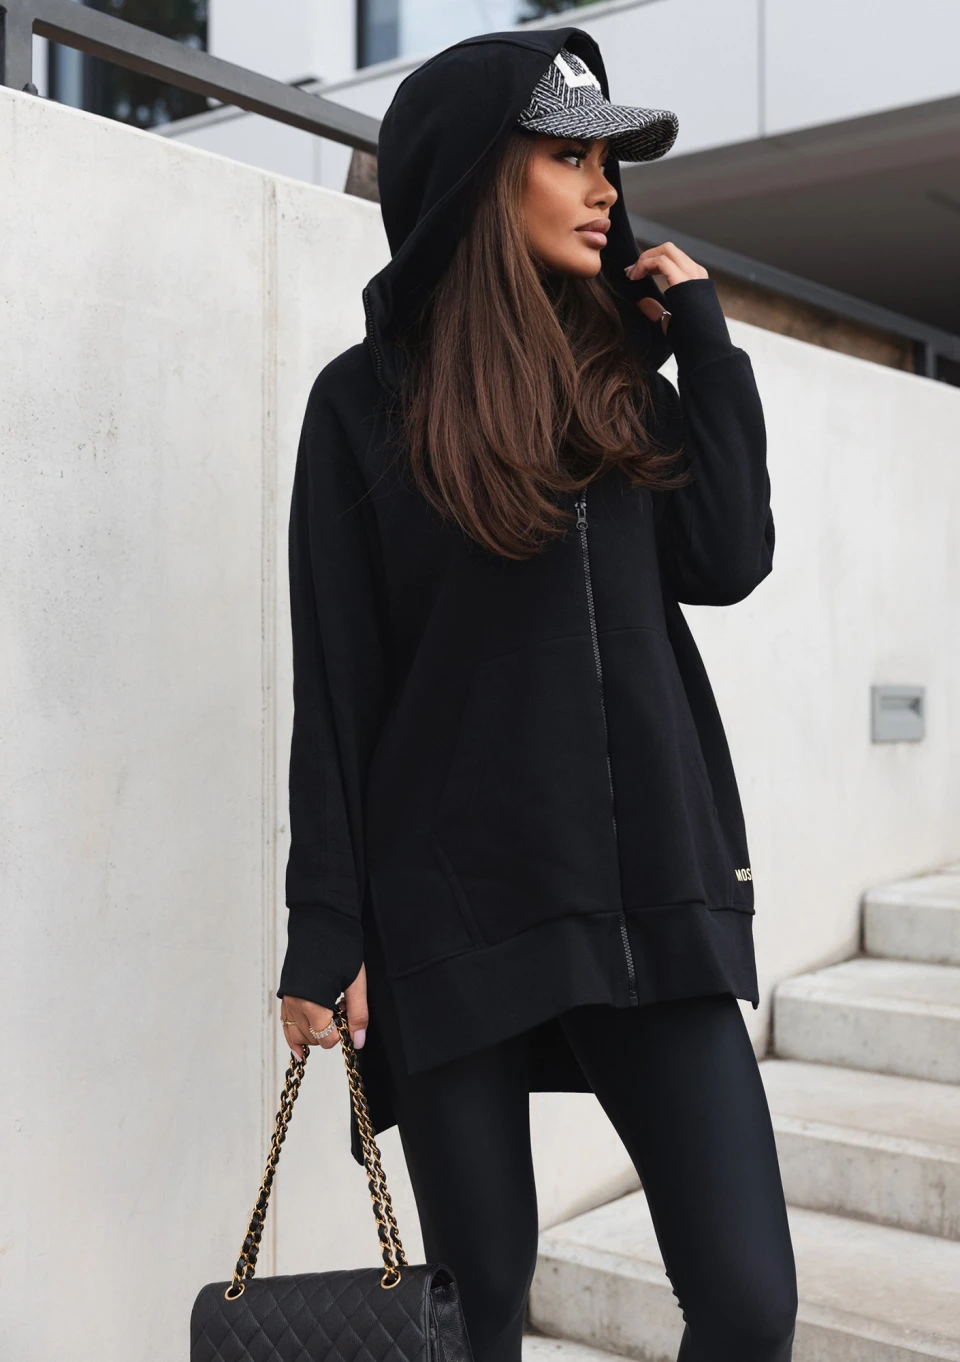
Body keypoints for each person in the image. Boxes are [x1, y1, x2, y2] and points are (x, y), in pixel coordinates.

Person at [277, 24, 797, 1362]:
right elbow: (338, 680)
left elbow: (728, 556)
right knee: (484, 1304)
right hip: (452, 910)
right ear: (474, 176)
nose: (605, 187)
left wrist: (706, 348)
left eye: (607, 162)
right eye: (569, 157)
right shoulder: (364, 407)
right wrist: (325, 925)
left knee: (749, 1303)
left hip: (648, 892)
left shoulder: (624, 386)